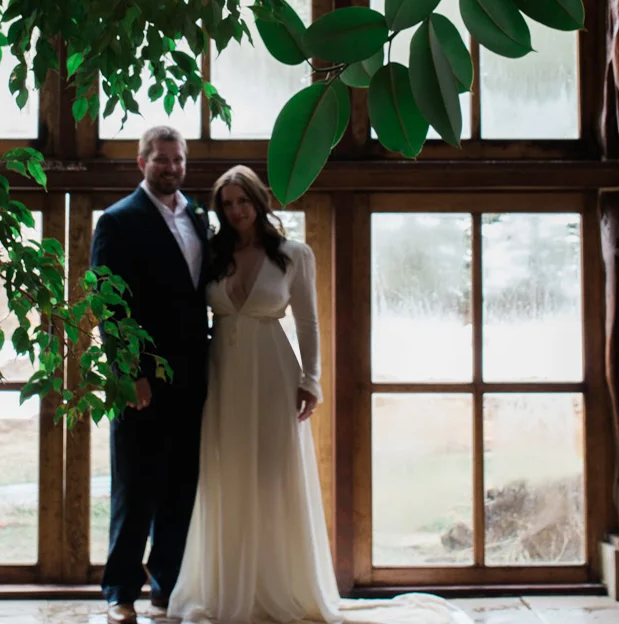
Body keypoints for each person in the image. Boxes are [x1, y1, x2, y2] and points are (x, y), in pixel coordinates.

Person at [170, 165, 458, 624]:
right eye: (227, 204)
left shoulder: (293, 254)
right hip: (223, 374)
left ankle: (281, 584)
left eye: (243, 201)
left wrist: (312, 379)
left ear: (259, 201)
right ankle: (229, 588)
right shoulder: (214, 253)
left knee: (274, 476)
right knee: (228, 476)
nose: (236, 210)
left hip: (273, 374)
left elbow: (308, 321)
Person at [91, 125, 210, 624]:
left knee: (181, 485)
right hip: (140, 377)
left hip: (194, 375)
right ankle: (120, 592)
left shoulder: (201, 217)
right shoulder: (118, 221)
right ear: (141, 163)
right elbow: (107, 304)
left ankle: (166, 587)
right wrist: (130, 372)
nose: (171, 168)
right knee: (135, 486)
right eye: (160, 159)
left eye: (178, 160)